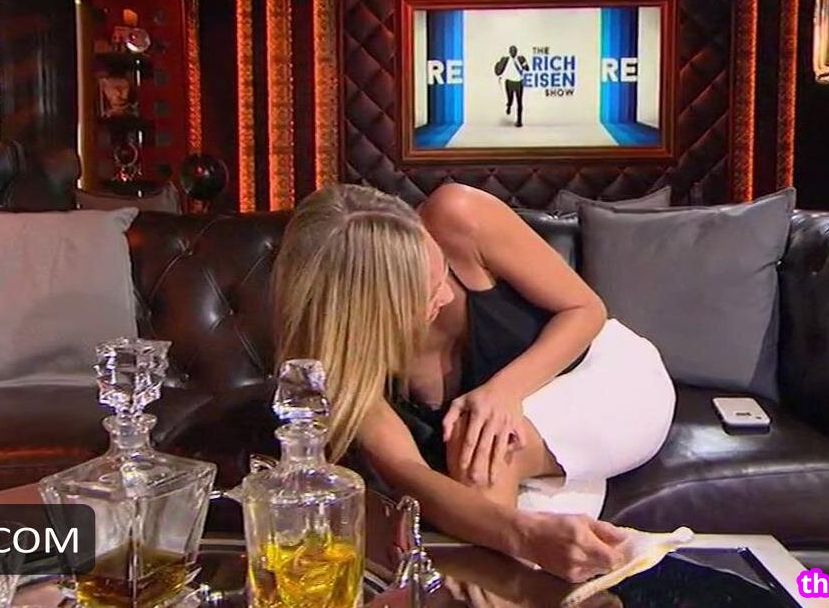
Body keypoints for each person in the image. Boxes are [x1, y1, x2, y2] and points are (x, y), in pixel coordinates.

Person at [271, 183, 675, 582]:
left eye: (444, 273)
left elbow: (586, 309)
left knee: (484, 445)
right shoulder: (336, 366)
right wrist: (524, 534)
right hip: (520, 453)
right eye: (430, 291)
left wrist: (503, 391)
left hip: (606, 375)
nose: (447, 295)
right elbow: (409, 473)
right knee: (521, 550)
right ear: (373, 312)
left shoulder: (458, 215)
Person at [493, 46, 529, 127]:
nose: (513, 52)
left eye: (515, 51)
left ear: (517, 51)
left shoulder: (521, 59)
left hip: (519, 83)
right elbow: (498, 70)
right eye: (512, 51)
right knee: (510, 99)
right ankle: (509, 105)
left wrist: (524, 64)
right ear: (509, 52)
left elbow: (527, 69)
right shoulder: (505, 59)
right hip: (509, 82)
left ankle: (519, 121)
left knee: (519, 102)